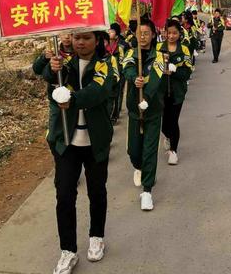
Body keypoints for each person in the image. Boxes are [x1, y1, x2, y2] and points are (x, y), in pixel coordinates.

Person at [42, 31, 114, 274]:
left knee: (96, 191)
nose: (80, 42)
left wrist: (71, 98)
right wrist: (51, 69)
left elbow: (98, 92)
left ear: (97, 41)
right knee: (64, 197)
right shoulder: (65, 65)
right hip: (67, 142)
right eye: (76, 38)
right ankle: (68, 251)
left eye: (86, 38)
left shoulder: (106, 64)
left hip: (95, 142)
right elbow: (46, 82)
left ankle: (97, 236)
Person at [123, 17, 166, 211]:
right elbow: (127, 69)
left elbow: (156, 80)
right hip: (134, 111)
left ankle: (147, 191)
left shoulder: (159, 56)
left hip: (153, 110)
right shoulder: (131, 53)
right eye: (139, 33)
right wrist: (134, 79)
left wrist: (146, 97)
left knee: (150, 150)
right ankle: (139, 167)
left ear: (153, 35)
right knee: (134, 150)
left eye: (146, 33)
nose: (142, 36)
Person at [157, 19, 193, 165]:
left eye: (174, 33)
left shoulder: (184, 49)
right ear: (164, 33)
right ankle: (167, 136)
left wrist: (175, 70)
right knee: (164, 123)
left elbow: (187, 72)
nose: (171, 36)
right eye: (168, 33)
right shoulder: (158, 47)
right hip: (160, 92)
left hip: (177, 92)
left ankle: (173, 151)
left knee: (173, 121)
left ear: (179, 34)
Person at [105, 23, 127, 123]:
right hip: (107, 73)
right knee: (108, 95)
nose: (109, 32)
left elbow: (123, 61)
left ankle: (114, 115)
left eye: (112, 31)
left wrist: (122, 73)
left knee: (117, 94)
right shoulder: (104, 45)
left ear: (117, 35)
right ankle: (109, 114)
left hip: (119, 74)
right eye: (109, 30)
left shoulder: (121, 46)